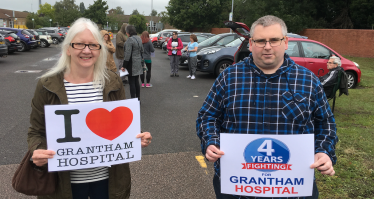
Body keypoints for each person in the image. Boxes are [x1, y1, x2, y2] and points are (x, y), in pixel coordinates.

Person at [196, 15, 338, 199]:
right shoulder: (229, 77)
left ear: (286, 42)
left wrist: (323, 151)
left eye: (274, 40)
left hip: (293, 189)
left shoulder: (308, 80)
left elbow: (325, 122)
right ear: (251, 44)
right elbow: (208, 116)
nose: (267, 46)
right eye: (260, 41)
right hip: (237, 186)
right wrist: (211, 141)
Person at [28, 18, 152, 199]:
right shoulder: (47, 85)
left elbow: (119, 122)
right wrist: (36, 150)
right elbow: (35, 131)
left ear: (99, 49)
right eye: (79, 44)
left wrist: (138, 136)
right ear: (68, 48)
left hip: (107, 181)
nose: (86, 50)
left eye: (93, 45)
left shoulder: (112, 81)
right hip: (64, 184)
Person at [121, 25, 144, 101]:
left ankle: (133, 101)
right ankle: (138, 99)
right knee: (136, 81)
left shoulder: (130, 40)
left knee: (132, 83)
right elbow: (142, 51)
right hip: (138, 63)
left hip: (131, 64)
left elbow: (127, 55)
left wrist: (124, 66)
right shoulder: (139, 38)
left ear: (128, 32)